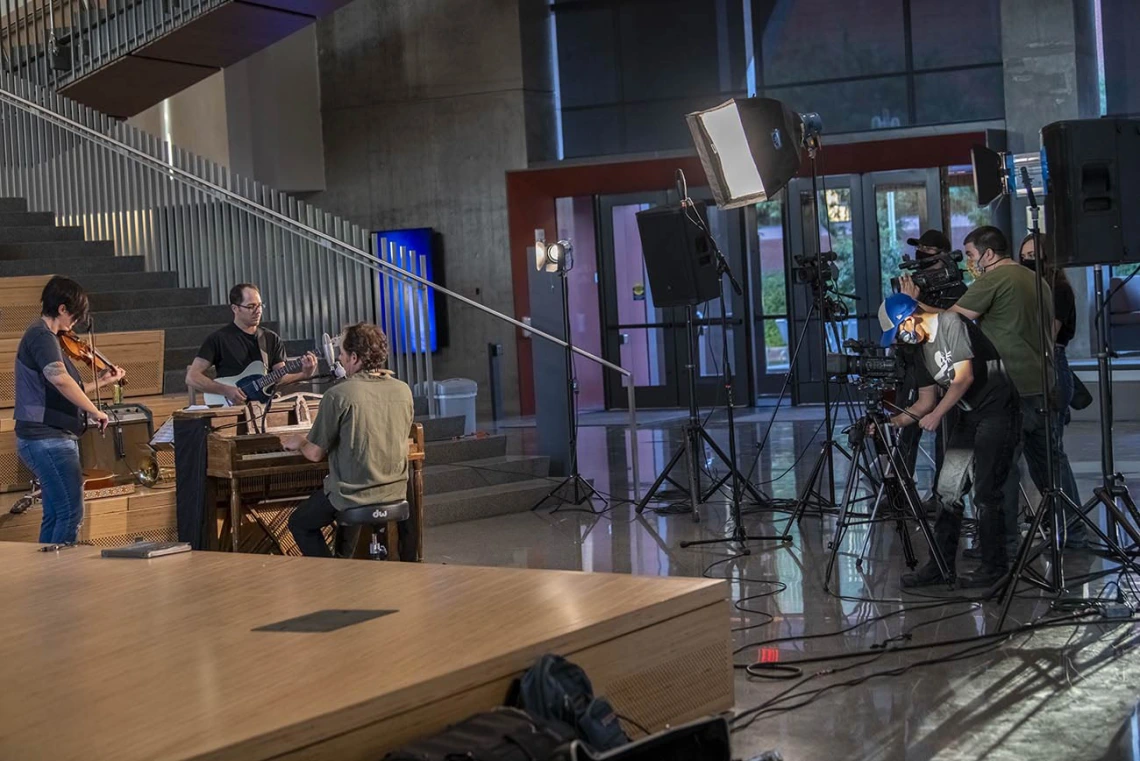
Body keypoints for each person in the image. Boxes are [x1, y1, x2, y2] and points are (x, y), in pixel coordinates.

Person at [878, 293, 1021, 587]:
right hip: (968, 416)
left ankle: (994, 567)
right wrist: (889, 423)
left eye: (899, 332)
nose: (901, 340)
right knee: (947, 491)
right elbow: (924, 403)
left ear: (910, 318)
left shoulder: (951, 323)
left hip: (998, 411)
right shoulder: (918, 351)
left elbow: (963, 378)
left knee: (985, 490)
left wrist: (939, 414)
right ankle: (940, 567)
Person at [283, 323, 414, 557]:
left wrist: (300, 441)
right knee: (345, 499)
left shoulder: (338, 394)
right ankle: (345, 567)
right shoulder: (403, 390)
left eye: (342, 353)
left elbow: (314, 454)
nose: (340, 359)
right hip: (395, 492)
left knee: (300, 523)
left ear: (354, 357)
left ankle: (332, 577)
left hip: (352, 495)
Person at [14, 276, 127, 544]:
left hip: (47, 436)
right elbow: (60, 379)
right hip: (46, 437)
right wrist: (96, 412)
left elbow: (65, 391)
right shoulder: (41, 336)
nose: (75, 323)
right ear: (62, 308)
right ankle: (62, 577)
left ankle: (50, 576)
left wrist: (101, 382)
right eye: (75, 314)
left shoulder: (50, 339)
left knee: (55, 513)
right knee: (70, 512)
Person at [894, 230, 969, 505]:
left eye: (928, 250)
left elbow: (952, 326)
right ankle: (899, 493)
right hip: (914, 368)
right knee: (905, 432)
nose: (922, 254)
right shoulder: (915, 286)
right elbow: (904, 328)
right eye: (920, 249)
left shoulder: (957, 290)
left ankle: (944, 498)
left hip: (947, 372)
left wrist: (916, 304)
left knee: (946, 440)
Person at [1019, 232, 1084, 545]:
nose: (1029, 259)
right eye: (1025, 254)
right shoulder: (1029, 289)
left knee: (1052, 455)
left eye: (1035, 254)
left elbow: (1047, 334)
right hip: (1032, 369)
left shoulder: (1058, 289)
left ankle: (1075, 529)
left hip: (1051, 368)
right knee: (1038, 456)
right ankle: (1057, 521)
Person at [185, 283, 317, 405]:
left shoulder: (270, 339)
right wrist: (226, 390)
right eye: (251, 306)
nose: (258, 310)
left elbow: (279, 379)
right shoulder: (218, 339)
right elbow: (192, 377)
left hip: (262, 409)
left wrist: (304, 374)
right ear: (235, 308)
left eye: (260, 305)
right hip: (231, 409)